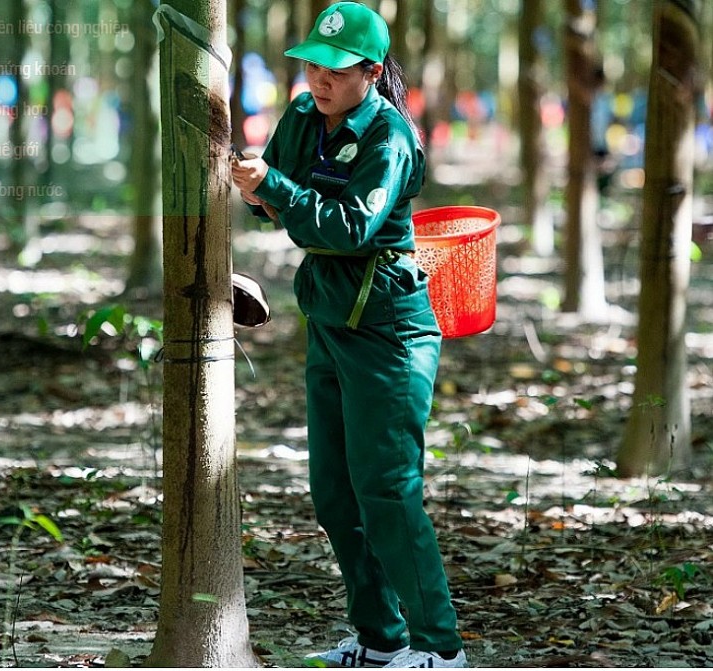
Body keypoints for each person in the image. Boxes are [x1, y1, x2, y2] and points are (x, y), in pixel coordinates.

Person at [231, 2, 467, 669]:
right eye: (311, 65)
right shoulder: (304, 117)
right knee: (335, 491)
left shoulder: (389, 137)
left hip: (389, 325)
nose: (319, 79)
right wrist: (258, 188)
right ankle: (379, 636)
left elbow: (346, 227)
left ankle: (438, 647)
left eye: (334, 68)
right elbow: (269, 199)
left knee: (387, 486)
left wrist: (273, 186)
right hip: (330, 317)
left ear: (369, 70)